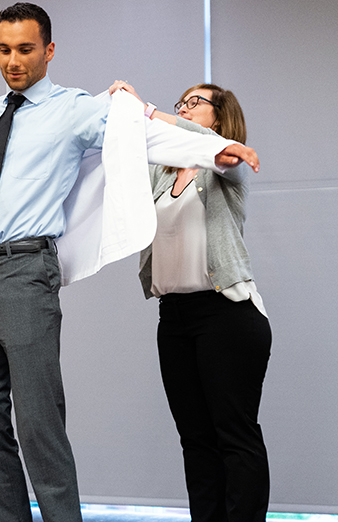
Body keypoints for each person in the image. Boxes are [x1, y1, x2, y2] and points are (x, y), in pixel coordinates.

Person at [0, 4, 261, 521]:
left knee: (39, 428)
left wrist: (216, 149)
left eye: (25, 49)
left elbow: (140, 135)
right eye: (3, 49)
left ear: (48, 50)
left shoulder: (75, 109)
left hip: (24, 272)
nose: (13, 61)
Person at [111, 80, 272, 522]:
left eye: (194, 103)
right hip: (175, 319)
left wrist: (150, 109)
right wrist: (123, 110)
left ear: (219, 116)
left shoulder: (228, 160)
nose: (184, 108)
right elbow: (129, 153)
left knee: (234, 435)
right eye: (181, 102)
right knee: (195, 439)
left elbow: (207, 144)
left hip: (228, 315)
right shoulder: (161, 171)